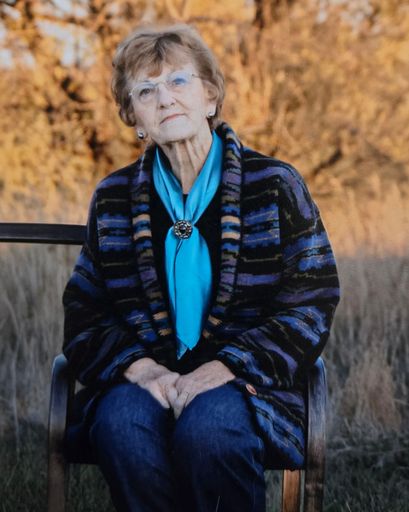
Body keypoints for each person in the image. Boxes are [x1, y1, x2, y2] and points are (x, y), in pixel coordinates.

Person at [63, 23, 340, 512]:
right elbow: (85, 312)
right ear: (134, 117)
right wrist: (143, 370)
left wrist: (228, 366)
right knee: (121, 429)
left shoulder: (274, 185)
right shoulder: (112, 198)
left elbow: (312, 299)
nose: (164, 98)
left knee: (210, 433)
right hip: (143, 380)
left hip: (247, 384)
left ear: (210, 96)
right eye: (146, 90)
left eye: (178, 81)